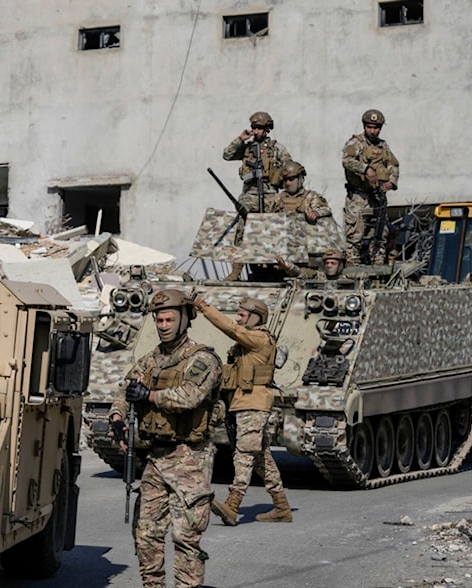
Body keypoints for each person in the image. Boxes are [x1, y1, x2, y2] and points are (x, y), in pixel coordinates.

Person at [107, 290, 221, 588]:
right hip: (156, 458)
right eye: (159, 319)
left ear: (184, 320)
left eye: (170, 319)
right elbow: (125, 389)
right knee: (145, 533)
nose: (164, 325)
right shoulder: (151, 360)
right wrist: (117, 418)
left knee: (185, 537)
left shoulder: (202, 359)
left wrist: (150, 395)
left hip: (190, 458)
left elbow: (190, 396)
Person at [195, 296, 293, 527]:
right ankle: (281, 507)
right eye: (237, 314)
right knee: (262, 458)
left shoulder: (258, 338)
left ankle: (233, 504)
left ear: (256, 317)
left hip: (253, 403)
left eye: (242, 315)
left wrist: (202, 306)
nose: (237, 319)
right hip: (244, 402)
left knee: (244, 454)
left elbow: (229, 328)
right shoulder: (248, 343)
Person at [222, 111, 293, 280]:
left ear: (267, 129)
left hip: (269, 194)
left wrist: (279, 180)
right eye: (253, 127)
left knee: (270, 231)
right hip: (249, 194)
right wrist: (241, 139)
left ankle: (273, 267)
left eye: (259, 128)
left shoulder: (277, 148)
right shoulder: (246, 147)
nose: (255, 131)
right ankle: (236, 270)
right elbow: (227, 155)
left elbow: (290, 167)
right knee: (242, 231)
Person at [342, 109, 400, 266]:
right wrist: (365, 169)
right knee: (355, 233)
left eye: (376, 127)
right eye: (369, 127)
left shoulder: (383, 146)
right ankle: (352, 264)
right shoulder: (356, 143)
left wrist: (392, 182)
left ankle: (378, 263)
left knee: (380, 233)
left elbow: (393, 164)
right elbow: (347, 161)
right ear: (364, 126)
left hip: (377, 195)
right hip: (359, 196)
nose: (372, 131)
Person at [268, 161, 332, 223]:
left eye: (291, 179)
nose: (287, 183)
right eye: (285, 180)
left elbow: (326, 209)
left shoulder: (310, 197)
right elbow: (269, 216)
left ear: (300, 179)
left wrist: (315, 213)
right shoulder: (278, 198)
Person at [275, 247, 346, 280]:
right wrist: (287, 266)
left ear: (340, 265)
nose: (329, 265)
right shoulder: (319, 277)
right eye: (327, 263)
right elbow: (299, 273)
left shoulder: (347, 278)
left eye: (333, 263)